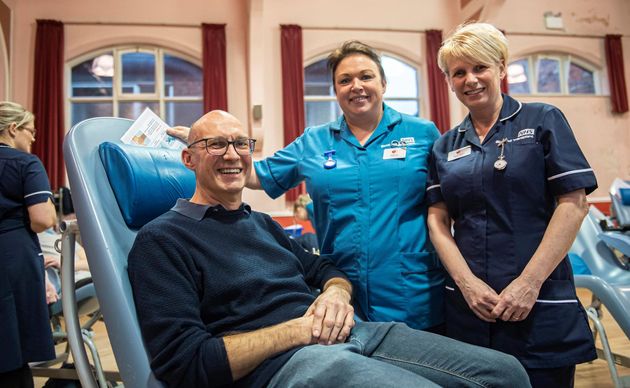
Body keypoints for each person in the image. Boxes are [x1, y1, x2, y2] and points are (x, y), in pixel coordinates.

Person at [128, 110, 531, 388]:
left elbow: (325, 269)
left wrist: (336, 293)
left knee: (505, 373)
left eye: (240, 143)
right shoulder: (162, 239)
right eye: (216, 144)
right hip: (289, 363)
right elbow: (186, 363)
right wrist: (299, 330)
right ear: (188, 158)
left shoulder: (261, 223)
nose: (232, 154)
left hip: (354, 331)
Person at [169, 40, 445, 331]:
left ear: (384, 83)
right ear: (335, 90)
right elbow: (256, 174)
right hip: (343, 291)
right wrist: (207, 146)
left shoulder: (422, 134)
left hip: (411, 291)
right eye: (345, 80)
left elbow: (446, 205)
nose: (357, 86)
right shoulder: (314, 142)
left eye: (366, 76)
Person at [425, 23, 597, 387]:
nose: (470, 79)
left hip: (539, 302)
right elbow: (438, 220)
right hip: (471, 308)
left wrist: (529, 283)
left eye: (479, 67)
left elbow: (574, 202)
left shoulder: (542, 120)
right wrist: (467, 283)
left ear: (501, 67)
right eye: (458, 73)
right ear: (449, 81)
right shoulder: (444, 146)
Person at [0, 101, 57, 387]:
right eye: (30, 131)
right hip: (12, 258)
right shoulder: (25, 163)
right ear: (12, 129)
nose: (33, 138)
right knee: (13, 347)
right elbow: (42, 220)